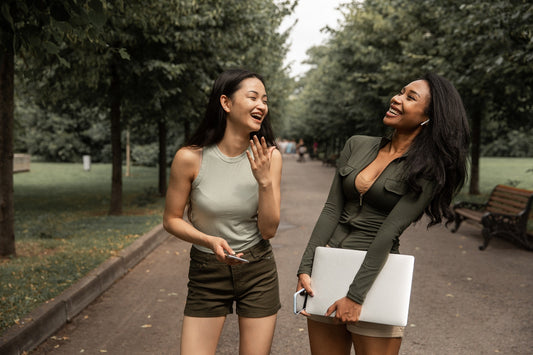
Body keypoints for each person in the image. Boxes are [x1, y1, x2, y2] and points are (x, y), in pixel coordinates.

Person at [296, 73, 470, 355]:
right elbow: (331, 209)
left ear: (428, 117)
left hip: (376, 279)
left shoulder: (428, 169)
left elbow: (390, 230)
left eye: (410, 97)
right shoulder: (357, 144)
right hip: (329, 269)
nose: (396, 98)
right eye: (400, 91)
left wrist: (355, 296)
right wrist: (306, 268)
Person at [163, 69, 282, 355]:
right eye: (253, 97)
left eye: (264, 100)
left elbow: (269, 230)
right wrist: (209, 241)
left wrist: (264, 181)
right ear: (226, 103)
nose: (261, 106)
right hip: (207, 270)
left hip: (257, 269)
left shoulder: (270, 157)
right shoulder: (190, 158)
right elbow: (171, 220)